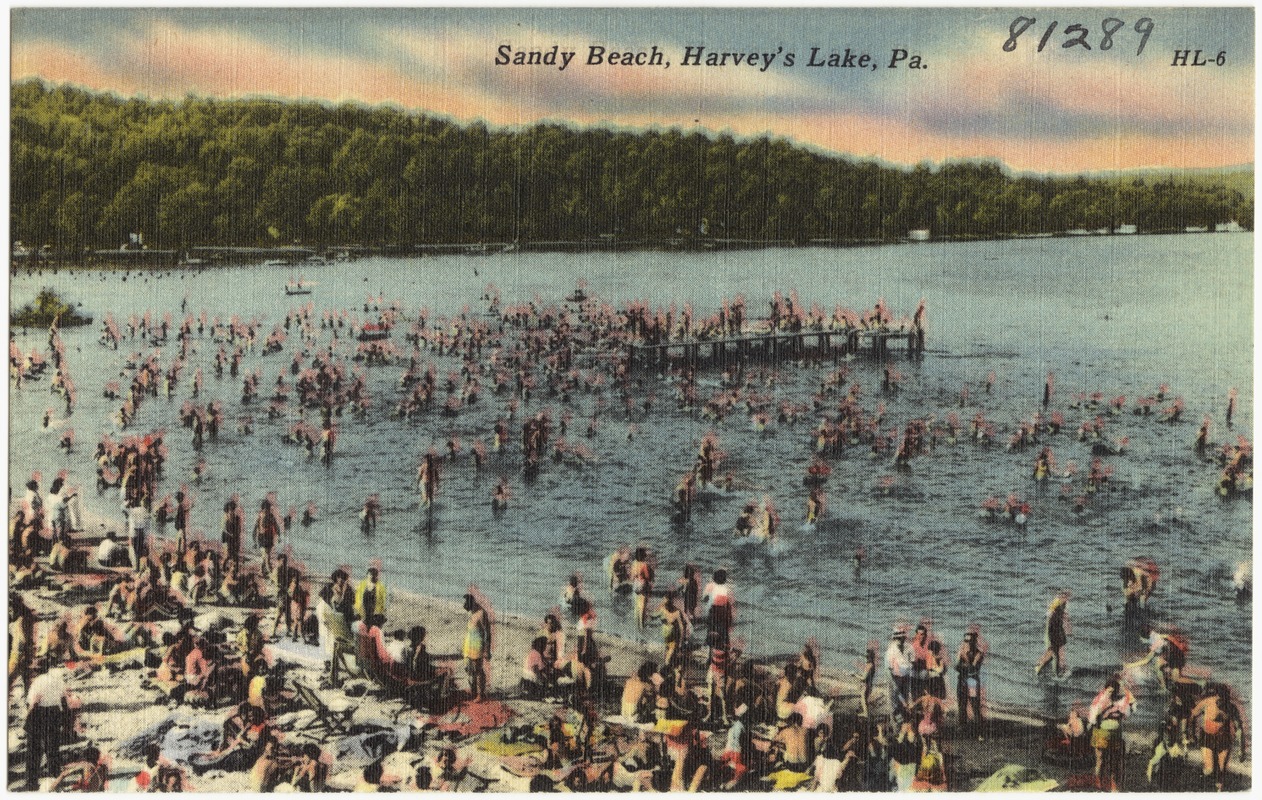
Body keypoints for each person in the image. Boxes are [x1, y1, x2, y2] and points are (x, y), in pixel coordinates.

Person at [1190, 684, 1245, 792]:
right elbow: (1192, 716)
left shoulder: (1231, 707)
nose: (1220, 700)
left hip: (1223, 739)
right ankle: (1203, 783)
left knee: (1221, 770)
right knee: (1209, 770)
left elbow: (1239, 729)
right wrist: (1190, 734)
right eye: (1219, 697)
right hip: (1207, 737)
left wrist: (1242, 750)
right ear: (1216, 695)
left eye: (1224, 697)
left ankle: (1218, 792)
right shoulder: (1206, 702)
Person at [24, 659, 69, 789]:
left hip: (39, 713)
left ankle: (31, 782)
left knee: (34, 750)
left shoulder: (36, 683)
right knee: (53, 749)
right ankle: (56, 778)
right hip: (55, 712)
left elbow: (33, 703)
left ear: (36, 671)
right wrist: (65, 720)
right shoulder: (57, 680)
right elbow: (64, 698)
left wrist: (27, 718)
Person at [1088, 674, 1135, 791]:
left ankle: (1113, 786)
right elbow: (1092, 718)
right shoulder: (1099, 700)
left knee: (1114, 761)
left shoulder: (1121, 701)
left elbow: (1133, 705)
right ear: (1106, 689)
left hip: (1115, 734)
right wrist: (1105, 704)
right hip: (1101, 732)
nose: (1112, 693)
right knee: (1100, 760)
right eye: (1110, 690)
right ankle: (1098, 783)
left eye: (1114, 690)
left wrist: (1125, 687)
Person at [955, 631, 985, 737]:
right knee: (961, 704)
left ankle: (979, 730)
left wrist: (965, 658)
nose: (967, 643)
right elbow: (956, 667)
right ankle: (962, 726)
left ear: (974, 641)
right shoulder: (962, 651)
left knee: (974, 705)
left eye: (969, 641)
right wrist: (961, 656)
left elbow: (972, 669)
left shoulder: (978, 653)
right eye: (965, 641)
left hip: (972, 681)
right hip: (962, 679)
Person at [463, 593, 491, 702]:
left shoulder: (482, 613)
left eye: (467, 604)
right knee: (470, 670)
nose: (465, 606)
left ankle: (480, 694)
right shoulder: (473, 612)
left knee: (478, 671)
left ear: (473, 603)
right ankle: (474, 692)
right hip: (469, 645)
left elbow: (487, 633)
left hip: (477, 646)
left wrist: (487, 650)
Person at [1034, 595, 1069, 678]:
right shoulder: (1056, 604)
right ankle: (1041, 665)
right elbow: (1050, 616)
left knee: (1057, 649)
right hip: (1053, 629)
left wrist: (1066, 626)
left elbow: (1064, 616)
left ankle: (1059, 666)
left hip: (1058, 629)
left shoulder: (1062, 604)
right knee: (1054, 649)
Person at [885, 626, 913, 715]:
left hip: (905, 678)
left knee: (905, 702)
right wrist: (894, 684)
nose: (901, 640)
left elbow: (911, 663)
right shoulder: (890, 651)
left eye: (902, 638)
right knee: (895, 703)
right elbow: (888, 671)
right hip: (894, 678)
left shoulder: (908, 648)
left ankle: (904, 719)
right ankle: (896, 725)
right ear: (895, 639)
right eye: (899, 638)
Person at [630, 547, 654, 629]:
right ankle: (642, 627)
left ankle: (636, 626)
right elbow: (647, 577)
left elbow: (631, 577)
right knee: (642, 607)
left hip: (635, 585)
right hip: (642, 586)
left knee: (636, 607)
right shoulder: (644, 565)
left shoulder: (634, 563)